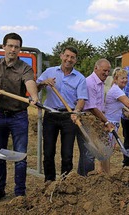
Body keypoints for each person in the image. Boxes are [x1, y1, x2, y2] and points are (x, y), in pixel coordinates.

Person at [0, 33, 39, 204]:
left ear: (20, 49)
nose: (13, 49)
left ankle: (19, 193)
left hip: (18, 117)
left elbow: (30, 82)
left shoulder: (25, 68)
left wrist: (34, 96)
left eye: (16, 47)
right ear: (3, 47)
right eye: (10, 46)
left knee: (20, 156)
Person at [36, 46, 88, 180]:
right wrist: (43, 83)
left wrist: (76, 111)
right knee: (48, 152)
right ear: (61, 56)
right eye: (67, 56)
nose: (69, 59)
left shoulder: (80, 78)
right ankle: (49, 182)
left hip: (68, 116)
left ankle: (65, 183)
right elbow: (36, 87)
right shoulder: (49, 71)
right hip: (51, 115)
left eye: (72, 57)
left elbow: (82, 99)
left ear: (75, 60)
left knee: (67, 154)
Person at [82, 59, 116, 174]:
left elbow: (99, 106)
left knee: (99, 150)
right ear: (96, 68)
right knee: (90, 152)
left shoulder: (101, 82)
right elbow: (92, 107)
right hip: (89, 119)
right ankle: (85, 178)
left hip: (97, 119)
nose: (107, 73)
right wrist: (106, 122)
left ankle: (103, 175)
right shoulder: (90, 83)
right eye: (104, 70)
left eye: (108, 71)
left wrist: (103, 121)